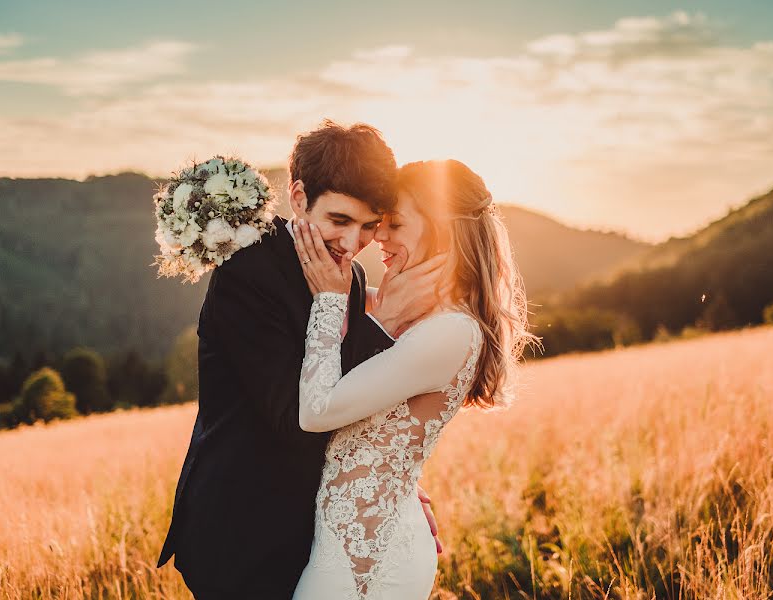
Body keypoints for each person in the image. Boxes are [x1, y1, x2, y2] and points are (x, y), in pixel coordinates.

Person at [157, 122, 443, 599]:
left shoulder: (345, 275)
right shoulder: (245, 275)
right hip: (241, 528)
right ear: (297, 196)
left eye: (369, 226)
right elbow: (298, 416)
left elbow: (353, 397)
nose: (353, 244)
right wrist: (386, 320)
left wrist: (392, 484)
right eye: (339, 220)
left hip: (308, 524)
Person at [290, 159, 534, 599]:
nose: (379, 236)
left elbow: (317, 410)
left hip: (367, 560)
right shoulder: (416, 313)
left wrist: (329, 298)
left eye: (395, 224)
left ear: (442, 230)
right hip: (353, 545)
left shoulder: (451, 332)